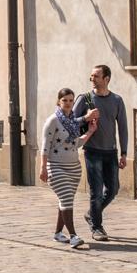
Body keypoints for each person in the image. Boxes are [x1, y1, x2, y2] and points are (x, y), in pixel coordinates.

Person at [80, 64, 128, 242]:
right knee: (96, 192)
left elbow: (122, 127)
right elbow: (71, 122)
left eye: (96, 76)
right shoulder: (85, 99)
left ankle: (91, 214)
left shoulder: (117, 100)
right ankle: (97, 227)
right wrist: (86, 117)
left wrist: (124, 153)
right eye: (91, 76)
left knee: (113, 189)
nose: (92, 79)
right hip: (92, 151)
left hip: (111, 152)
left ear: (106, 79)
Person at [38, 88, 90, 249]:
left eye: (70, 100)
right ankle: (73, 236)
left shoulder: (73, 121)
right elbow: (45, 146)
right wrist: (43, 168)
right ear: (58, 102)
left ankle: (58, 233)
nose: (68, 103)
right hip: (56, 167)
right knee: (66, 198)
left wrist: (90, 131)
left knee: (65, 200)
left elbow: (77, 143)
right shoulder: (53, 121)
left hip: (74, 168)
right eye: (64, 100)